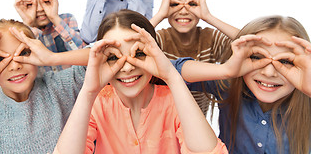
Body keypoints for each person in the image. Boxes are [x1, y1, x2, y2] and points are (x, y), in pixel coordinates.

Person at [53, 9, 228, 154]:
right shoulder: (97, 104)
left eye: (138, 54)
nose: (127, 67)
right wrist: (88, 91)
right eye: (114, 57)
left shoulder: (172, 100)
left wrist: (172, 76)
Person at [173, 15, 311, 153]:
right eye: (257, 57)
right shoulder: (229, 84)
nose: (269, 73)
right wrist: (225, 70)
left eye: (285, 61)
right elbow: (165, 71)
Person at [0, 19, 88, 154]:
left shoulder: (60, 87)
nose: (15, 65)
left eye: (23, 53)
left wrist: (53, 58)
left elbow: (106, 55)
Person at [150, 0, 239, 115]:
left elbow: (251, 42)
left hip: (198, 121)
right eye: (174, 4)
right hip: (163, 120)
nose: (183, 10)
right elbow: (129, 43)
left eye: (192, 4)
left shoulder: (210, 38)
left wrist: (208, 16)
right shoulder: (160, 38)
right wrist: (160, 14)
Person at [14, 0, 85, 74]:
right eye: (30, 5)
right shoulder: (18, 32)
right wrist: (28, 24)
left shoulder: (67, 20)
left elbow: (84, 54)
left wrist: (55, 18)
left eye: (46, 2)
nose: (39, 9)